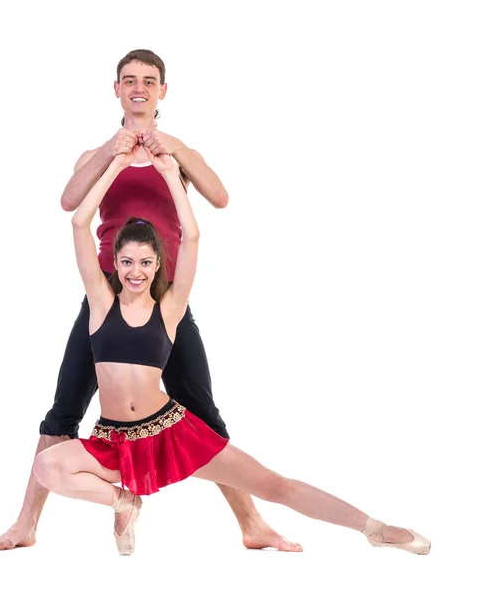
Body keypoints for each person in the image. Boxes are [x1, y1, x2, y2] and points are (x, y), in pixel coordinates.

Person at [32, 143, 431, 557]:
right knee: (49, 466)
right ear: (114, 262)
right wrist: (115, 163)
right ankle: (124, 501)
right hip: (115, 442)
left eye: (146, 263)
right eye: (128, 262)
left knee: (274, 485)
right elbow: (80, 223)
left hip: (170, 433)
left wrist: (172, 175)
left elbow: (193, 236)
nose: (136, 272)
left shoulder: (170, 308)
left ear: (158, 265)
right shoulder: (100, 304)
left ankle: (376, 529)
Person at [0, 49, 300, 552]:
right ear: (116, 89)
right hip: (107, 305)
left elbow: (220, 197)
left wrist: (174, 151)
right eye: (129, 80)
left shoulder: (176, 155)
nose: (139, 87)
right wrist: (111, 154)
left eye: (149, 81)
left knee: (204, 414)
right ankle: (26, 524)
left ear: (162, 91)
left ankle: (252, 524)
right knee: (63, 411)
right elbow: (70, 203)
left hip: (167, 305)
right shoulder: (98, 154)